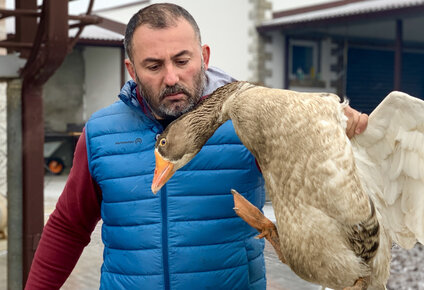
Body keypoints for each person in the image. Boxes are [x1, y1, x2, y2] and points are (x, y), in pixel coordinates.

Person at [25, 3, 368, 289]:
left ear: (203, 56)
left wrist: (336, 132)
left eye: (182, 60)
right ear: (131, 70)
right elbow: (68, 228)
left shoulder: (248, 124)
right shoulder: (100, 133)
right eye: (154, 65)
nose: (171, 77)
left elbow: (319, 191)